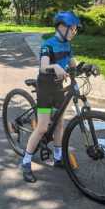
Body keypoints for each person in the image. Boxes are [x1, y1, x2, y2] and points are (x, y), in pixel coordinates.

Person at [21, 11, 81, 183]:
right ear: (62, 27)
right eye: (73, 29)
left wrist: (85, 67)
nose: (74, 32)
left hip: (58, 88)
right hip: (46, 88)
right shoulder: (48, 45)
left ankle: (57, 157)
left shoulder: (67, 45)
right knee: (42, 128)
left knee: (59, 123)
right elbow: (43, 67)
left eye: (75, 29)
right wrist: (55, 67)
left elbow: (72, 63)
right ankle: (25, 162)